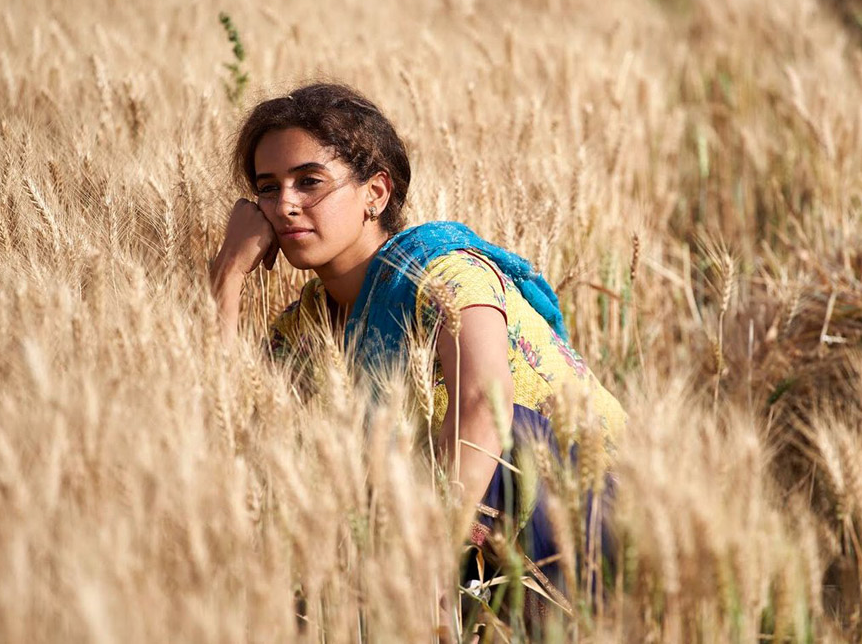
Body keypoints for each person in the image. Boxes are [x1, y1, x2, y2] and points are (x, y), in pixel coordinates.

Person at [208, 82, 626, 631]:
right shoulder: (308, 324)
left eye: (309, 181)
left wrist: (420, 558)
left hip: (583, 514)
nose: (284, 204)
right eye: (267, 188)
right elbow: (225, 423)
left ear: (375, 194)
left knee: (500, 440)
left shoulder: (447, 274)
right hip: (450, 533)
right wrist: (228, 276)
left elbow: (484, 404)